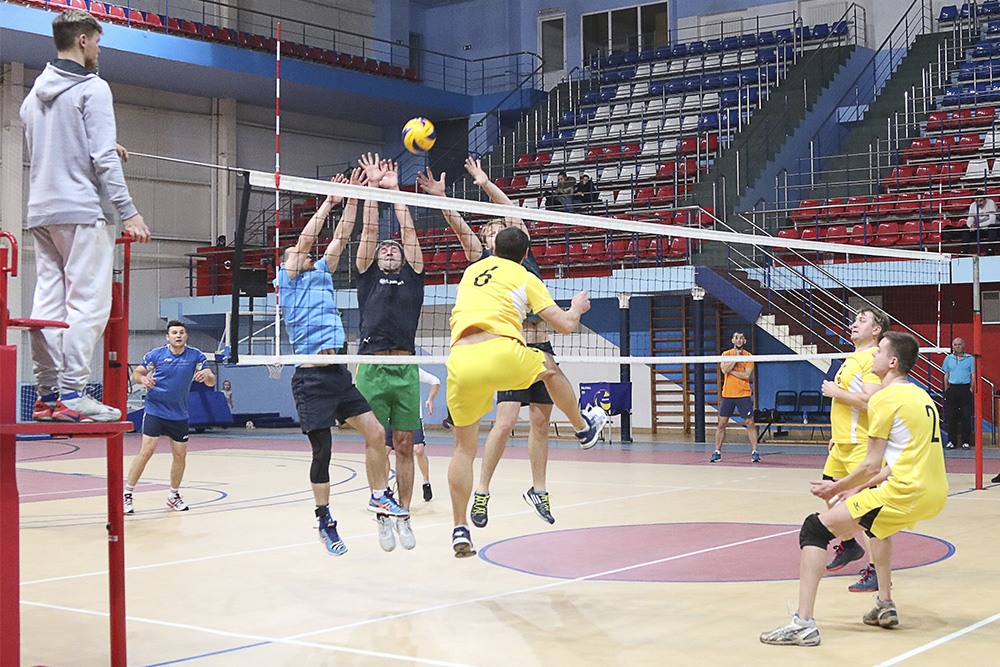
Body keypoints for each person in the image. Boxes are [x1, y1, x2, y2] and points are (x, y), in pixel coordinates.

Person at [761, 332, 948, 647]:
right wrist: (859, 489)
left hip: (904, 492)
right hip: (933, 492)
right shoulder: (922, 397)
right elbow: (899, 462)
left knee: (814, 530)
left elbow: (871, 464)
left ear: (892, 362)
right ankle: (884, 604)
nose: (873, 355)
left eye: (880, 352)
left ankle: (803, 624)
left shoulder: (884, 399)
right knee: (875, 527)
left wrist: (836, 486)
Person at [418, 158, 568, 528]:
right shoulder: (481, 261)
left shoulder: (522, 254)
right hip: (506, 350)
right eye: (491, 230)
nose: (497, 231)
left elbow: (513, 212)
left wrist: (485, 182)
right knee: (505, 422)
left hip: (540, 346)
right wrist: (441, 199)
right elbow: (458, 226)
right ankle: (482, 491)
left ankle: (539, 488)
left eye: (500, 228)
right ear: (488, 240)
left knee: (541, 422)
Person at [446, 226, 608, 557]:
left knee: (463, 450)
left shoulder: (473, 270)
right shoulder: (525, 276)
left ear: (493, 248)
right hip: (502, 354)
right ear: (525, 255)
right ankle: (583, 428)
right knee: (549, 367)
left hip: (460, 362)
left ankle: (460, 527)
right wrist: (577, 306)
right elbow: (566, 325)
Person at [22, 9, 151, 423]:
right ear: (82, 40)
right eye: (97, 41)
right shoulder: (93, 88)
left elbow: (54, 149)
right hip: (82, 212)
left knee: (48, 307)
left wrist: (104, 145)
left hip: (42, 212)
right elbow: (102, 160)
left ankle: (46, 396)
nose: (98, 49)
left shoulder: (32, 96)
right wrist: (129, 213)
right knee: (88, 306)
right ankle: (74, 394)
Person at [275, 167, 406, 556]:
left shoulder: (321, 273)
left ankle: (379, 494)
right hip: (310, 380)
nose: (303, 255)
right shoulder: (286, 281)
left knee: (376, 434)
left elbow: (342, 236)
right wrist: (329, 202)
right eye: (295, 255)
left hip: (338, 375)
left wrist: (352, 199)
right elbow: (305, 241)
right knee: (323, 452)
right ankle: (324, 520)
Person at [353, 153, 426, 551]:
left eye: (393, 248)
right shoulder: (367, 275)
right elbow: (368, 229)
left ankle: (404, 513)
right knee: (376, 441)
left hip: (406, 367)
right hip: (372, 367)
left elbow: (408, 232)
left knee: (405, 445)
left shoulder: (414, 276)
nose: (388, 250)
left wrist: (395, 190)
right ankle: (383, 512)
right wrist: (370, 189)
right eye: (383, 249)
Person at [819, 307, 888, 591]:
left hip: (861, 443)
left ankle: (877, 571)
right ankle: (849, 545)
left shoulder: (872, 358)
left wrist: (836, 392)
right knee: (829, 492)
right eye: (854, 319)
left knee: (867, 511)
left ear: (876, 330)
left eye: (862, 320)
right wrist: (837, 434)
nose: (854, 324)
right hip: (842, 442)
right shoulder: (852, 358)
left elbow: (871, 401)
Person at [124, 320, 214, 513]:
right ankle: (127, 494)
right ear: (168, 337)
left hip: (179, 413)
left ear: (186, 336)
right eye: (174, 332)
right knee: (146, 451)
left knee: (180, 455)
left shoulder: (195, 355)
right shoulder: (156, 355)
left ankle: (173, 495)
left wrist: (206, 376)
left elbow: (210, 379)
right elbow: (136, 374)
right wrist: (143, 378)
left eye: (181, 332)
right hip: (155, 410)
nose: (178, 335)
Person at [385, 368, 440, 501]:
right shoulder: (386, 370)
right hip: (391, 417)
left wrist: (430, 399)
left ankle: (426, 482)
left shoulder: (413, 369)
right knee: (384, 452)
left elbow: (435, 381)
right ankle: (385, 487)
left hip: (413, 416)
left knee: (418, 450)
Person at [709, 331, 760, 463]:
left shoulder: (749, 356)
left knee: (750, 423)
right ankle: (717, 452)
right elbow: (723, 370)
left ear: (744, 341)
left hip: (743, 394)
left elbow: (746, 375)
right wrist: (735, 359)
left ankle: (755, 452)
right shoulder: (726, 354)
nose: (739, 340)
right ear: (733, 340)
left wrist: (730, 370)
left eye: (741, 338)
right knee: (722, 423)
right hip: (728, 394)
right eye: (736, 338)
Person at [942, 337, 974, 450]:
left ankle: (966, 442)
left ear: (963, 345)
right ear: (953, 347)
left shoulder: (970, 359)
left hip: (965, 389)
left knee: (966, 416)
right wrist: (946, 388)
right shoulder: (948, 359)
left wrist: (971, 388)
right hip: (953, 389)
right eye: (955, 345)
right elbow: (946, 374)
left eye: (960, 344)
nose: (958, 346)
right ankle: (952, 441)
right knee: (951, 416)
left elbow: (973, 375)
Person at [963, 189, 998, 254]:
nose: (979, 203)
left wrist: (978, 225)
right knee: (965, 228)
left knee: (992, 227)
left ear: (985, 199)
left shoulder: (991, 203)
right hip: (980, 228)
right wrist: (971, 225)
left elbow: (992, 221)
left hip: (992, 228)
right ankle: (964, 252)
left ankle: (990, 250)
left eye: (981, 201)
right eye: (976, 201)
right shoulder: (973, 205)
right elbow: (970, 218)